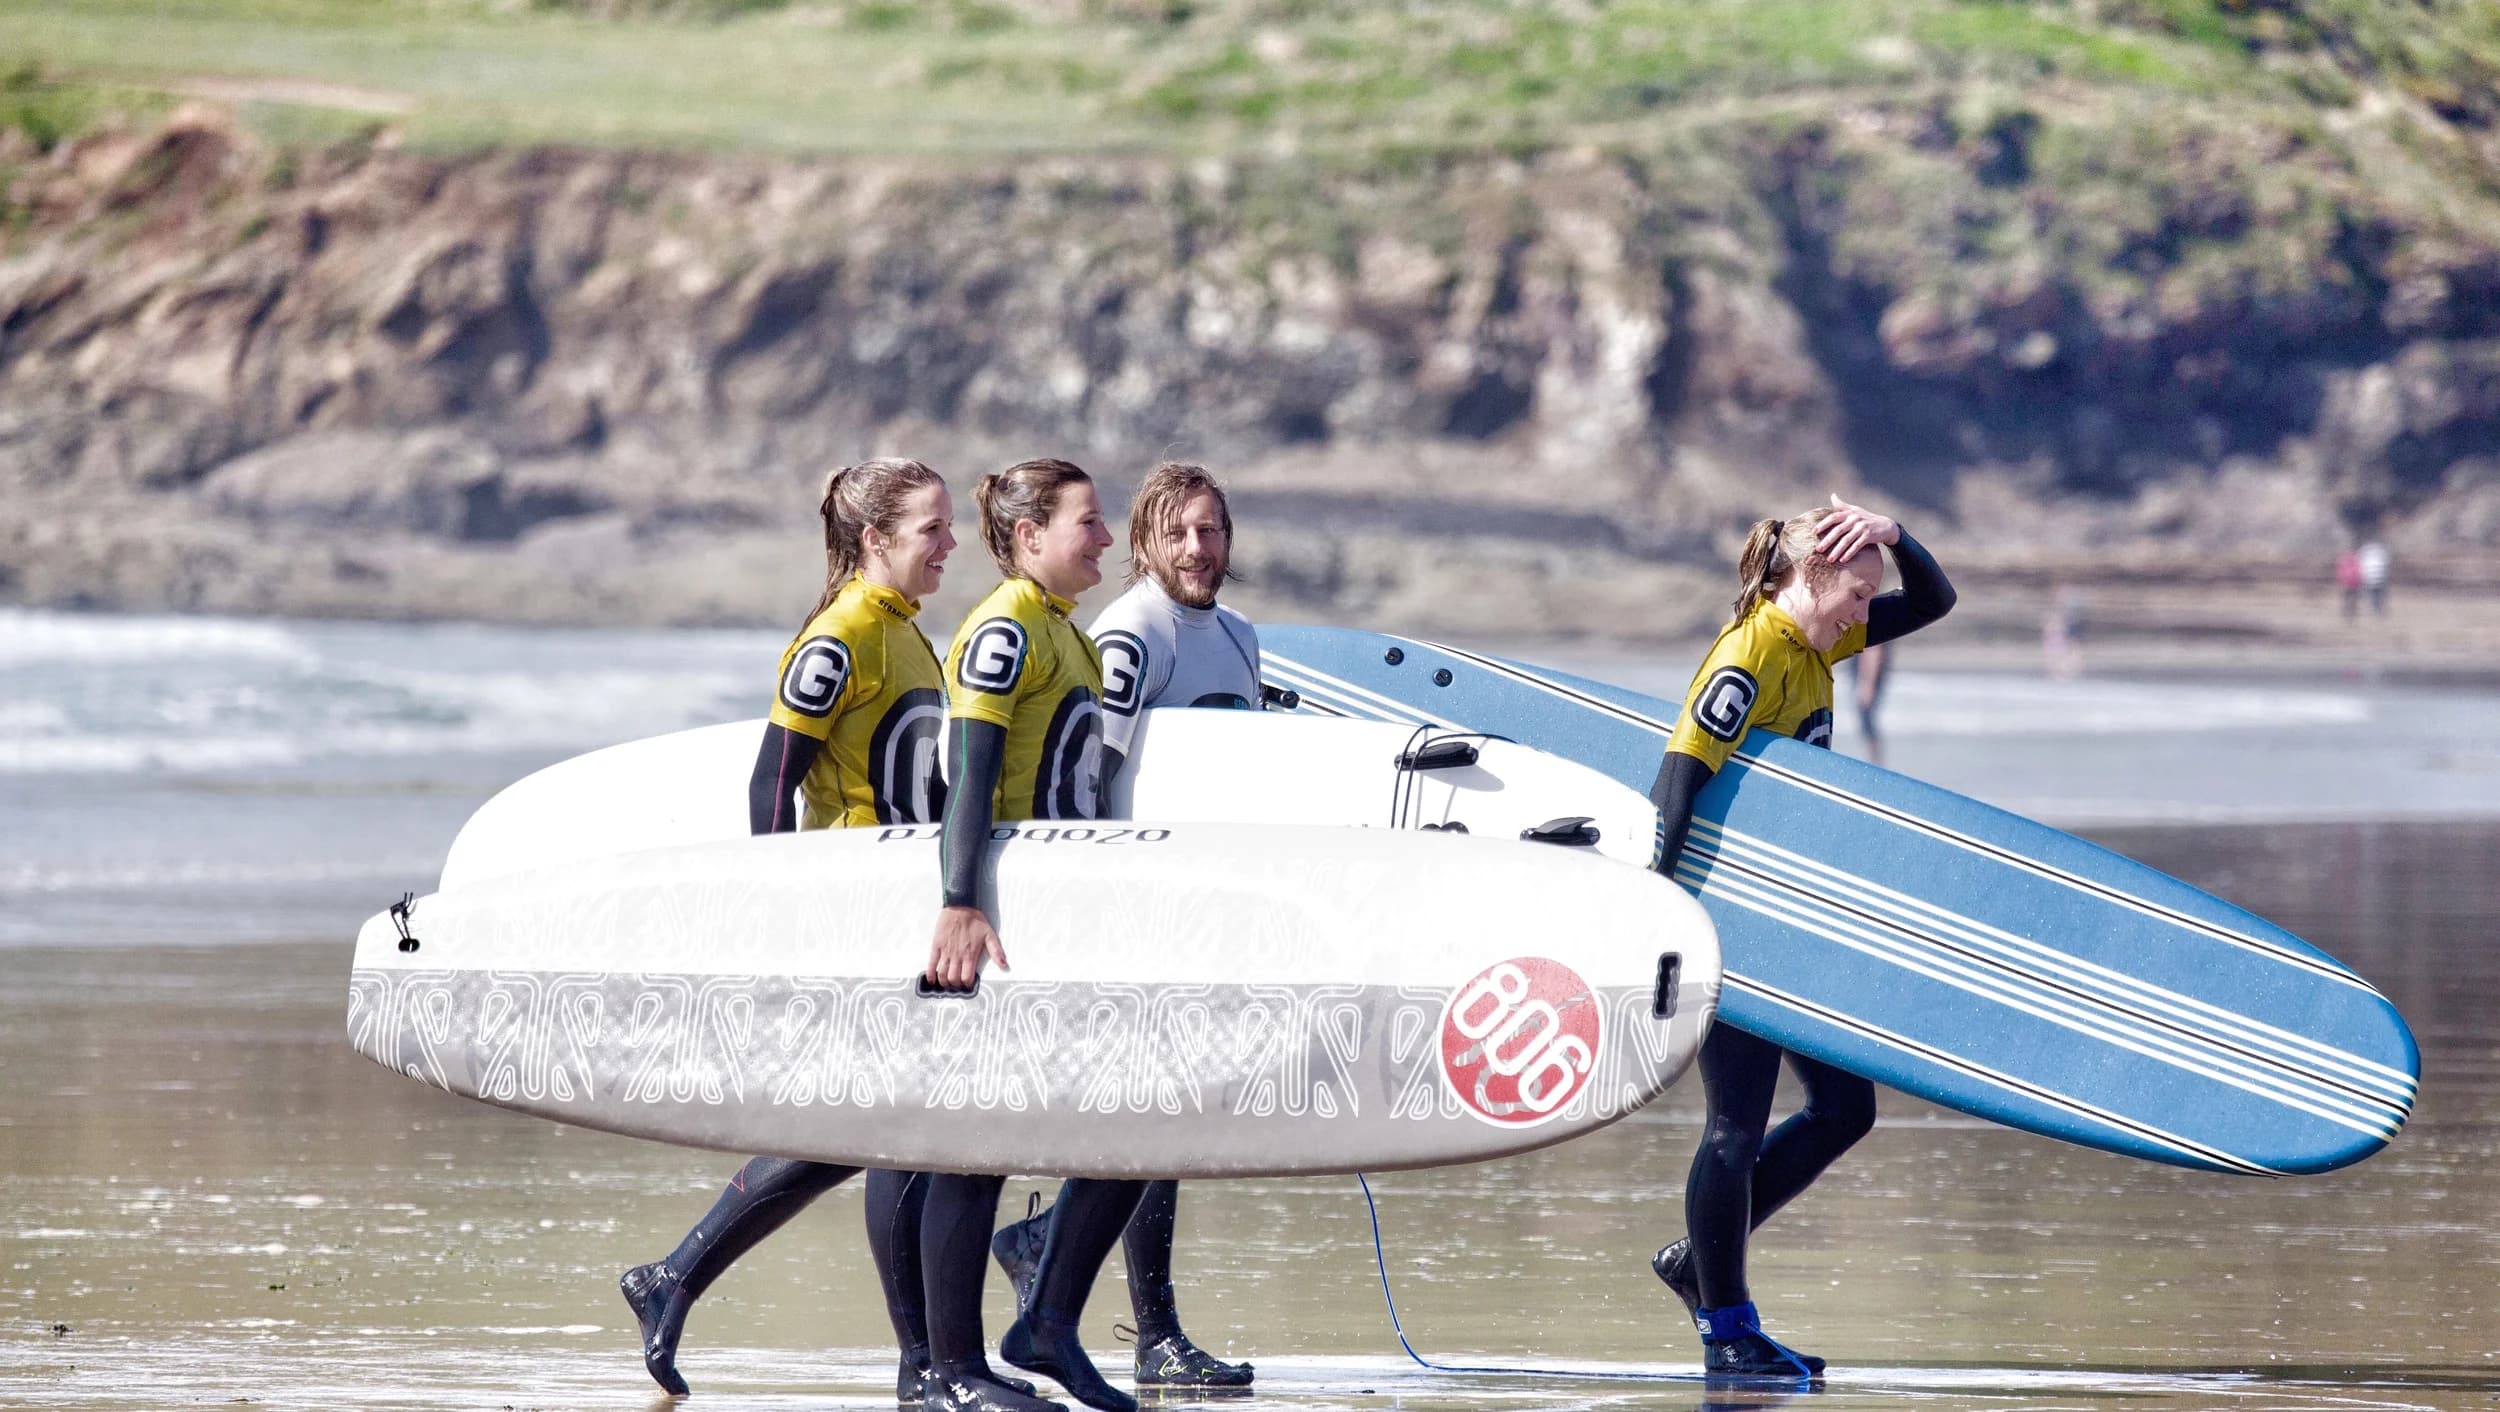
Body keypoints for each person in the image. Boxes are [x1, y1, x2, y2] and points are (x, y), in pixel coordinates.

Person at [619, 458, 1020, 1405]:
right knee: (887, 1131)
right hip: (851, 914)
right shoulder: (840, 635)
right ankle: (922, 1368)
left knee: (873, 1129)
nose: (951, 544)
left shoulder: (907, 633)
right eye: (931, 528)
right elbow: (771, 780)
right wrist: (781, 915)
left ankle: (679, 1279)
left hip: (901, 912)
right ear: (875, 539)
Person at [1645, 494, 1955, 1381]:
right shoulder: (1750, 655)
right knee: (1735, 1129)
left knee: (1844, 1109)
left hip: (1787, 925)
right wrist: (1655, 920)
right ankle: (1726, 1330)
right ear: (1812, 577)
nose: (1864, 614)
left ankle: (1698, 1263)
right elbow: (1675, 786)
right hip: (1726, 919)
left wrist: (1894, 536)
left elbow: (1934, 602)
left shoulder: (1822, 646)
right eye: (1856, 594)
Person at [986, 462, 1259, 1391]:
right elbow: (1092, 773)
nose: (1197, 549)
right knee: (1152, 1114)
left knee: (1165, 1113)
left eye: (1210, 530)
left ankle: (1047, 1244)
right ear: (1144, 542)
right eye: (1177, 532)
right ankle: (1152, 1332)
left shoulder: (1240, 637)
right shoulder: (1132, 631)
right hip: (1138, 902)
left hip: (1201, 904)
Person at [921, 457, 1145, 1412]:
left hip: (1065, 918)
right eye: (1087, 522)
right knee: (977, 1143)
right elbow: (969, 774)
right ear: (1029, 536)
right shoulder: (1006, 626)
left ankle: (1047, 1322)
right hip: (1004, 917)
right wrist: (960, 900)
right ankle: (952, 1369)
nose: (1105, 539)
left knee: (1134, 1126)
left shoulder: (1069, 635)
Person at [1847, 640, 1888, 768]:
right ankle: (1874, 762)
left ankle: (1874, 763)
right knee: (1867, 723)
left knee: (1867, 723)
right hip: (1868, 676)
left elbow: (1873, 650)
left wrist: (1867, 683)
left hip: (1867, 678)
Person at [2358, 539, 2391, 616]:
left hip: (2369, 577)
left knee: (2371, 594)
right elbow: (2386, 565)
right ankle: (2378, 609)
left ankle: (2374, 608)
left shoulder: (2365, 552)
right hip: (2380, 577)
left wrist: (2363, 576)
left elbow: (2361, 566)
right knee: (2379, 594)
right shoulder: (2381, 552)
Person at [2336, 546, 2362, 621]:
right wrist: (2359, 581)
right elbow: (2359, 571)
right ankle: (2352, 612)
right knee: (2354, 599)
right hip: (2355, 583)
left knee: (2345, 598)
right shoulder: (2356, 559)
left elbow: (2339, 572)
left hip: (2345, 583)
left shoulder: (2342, 560)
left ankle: (2345, 612)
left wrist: (2340, 581)